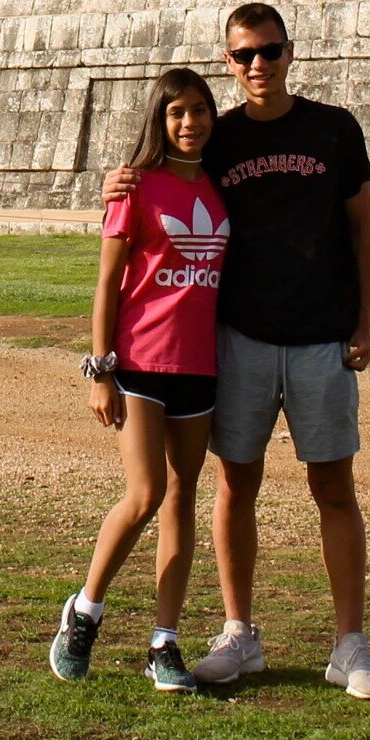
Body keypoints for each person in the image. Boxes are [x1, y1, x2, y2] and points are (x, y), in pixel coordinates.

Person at [106, 1, 370, 700]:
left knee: (334, 488)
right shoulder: (220, 138)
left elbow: (362, 231)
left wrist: (362, 323)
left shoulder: (333, 130)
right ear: (229, 63)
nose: (257, 65)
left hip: (322, 337)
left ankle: (349, 644)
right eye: (243, 55)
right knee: (236, 484)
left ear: (290, 52)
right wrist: (122, 179)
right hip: (240, 341)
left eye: (269, 51)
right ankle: (240, 632)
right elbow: (162, 169)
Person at [50, 67, 231, 692]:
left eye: (201, 110)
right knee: (146, 493)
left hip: (199, 365)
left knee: (183, 497)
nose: (191, 123)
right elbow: (106, 284)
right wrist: (99, 371)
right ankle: (85, 610)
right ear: (160, 118)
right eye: (178, 112)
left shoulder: (222, 183)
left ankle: (165, 643)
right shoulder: (134, 187)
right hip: (140, 363)